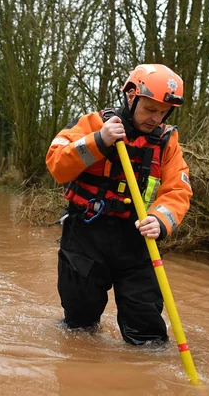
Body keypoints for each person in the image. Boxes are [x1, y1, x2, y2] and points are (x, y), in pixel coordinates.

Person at [45, 64, 192, 345]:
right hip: (85, 234)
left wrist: (160, 221)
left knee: (148, 334)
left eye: (163, 112)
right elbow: (56, 164)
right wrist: (99, 140)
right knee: (79, 327)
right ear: (131, 96)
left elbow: (179, 189)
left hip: (137, 238)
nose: (156, 118)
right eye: (150, 109)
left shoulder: (166, 141)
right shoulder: (92, 124)